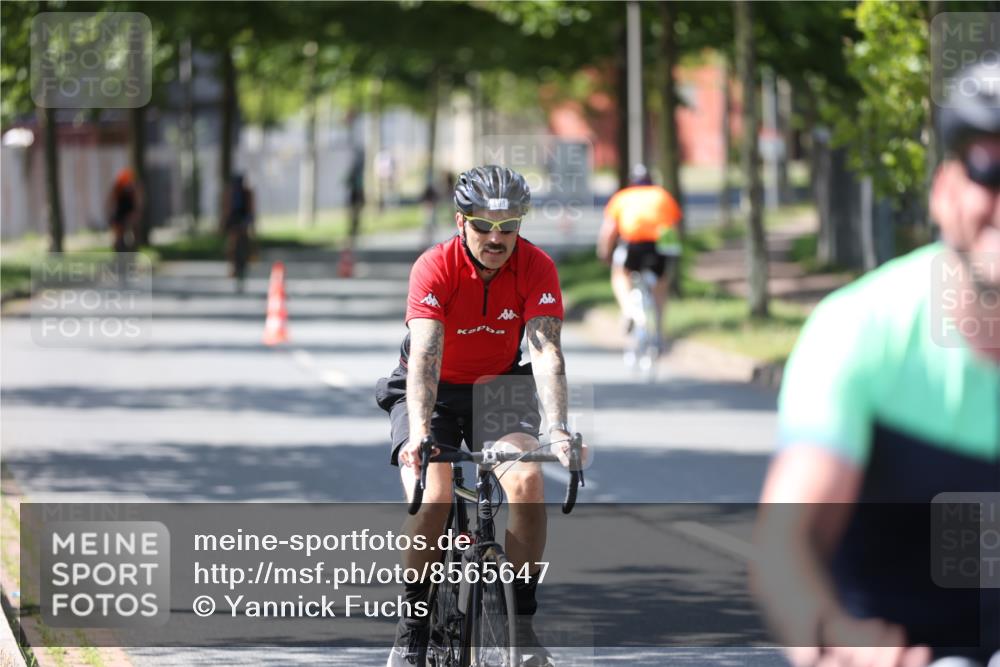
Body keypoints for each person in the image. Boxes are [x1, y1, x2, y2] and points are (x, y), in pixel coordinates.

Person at [753, 61, 1000, 667]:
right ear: (944, 192)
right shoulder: (863, 329)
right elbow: (788, 544)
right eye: (990, 170)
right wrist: (830, 637)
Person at [375, 165, 588, 667]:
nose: (497, 238)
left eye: (508, 227)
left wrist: (555, 426)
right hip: (431, 390)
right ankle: (411, 632)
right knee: (434, 495)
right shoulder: (436, 266)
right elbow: (425, 354)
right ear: (460, 221)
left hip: (497, 388)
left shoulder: (536, 266)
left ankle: (523, 628)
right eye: (484, 226)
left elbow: (545, 351)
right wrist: (422, 434)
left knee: (528, 480)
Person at [597, 164, 683, 349]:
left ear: (631, 182)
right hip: (660, 245)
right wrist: (673, 255)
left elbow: (609, 230)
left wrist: (604, 253)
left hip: (633, 243)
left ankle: (628, 310)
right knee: (661, 285)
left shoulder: (623, 197)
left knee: (620, 274)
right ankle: (659, 329)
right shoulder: (662, 195)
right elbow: (674, 227)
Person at [222, 173, 255, 291]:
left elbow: (226, 209)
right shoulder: (246, 192)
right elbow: (251, 209)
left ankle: (235, 267)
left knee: (234, 245)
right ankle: (237, 267)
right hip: (240, 222)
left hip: (236, 222)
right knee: (239, 245)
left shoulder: (232, 192)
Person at [106, 167, 144, 252]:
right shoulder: (118, 187)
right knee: (119, 234)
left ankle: (132, 249)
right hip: (120, 213)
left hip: (129, 212)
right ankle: (119, 249)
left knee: (134, 232)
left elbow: (137, 203)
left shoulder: (133, 188)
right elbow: (111, 201)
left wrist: (135, 214)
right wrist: (110, 214)